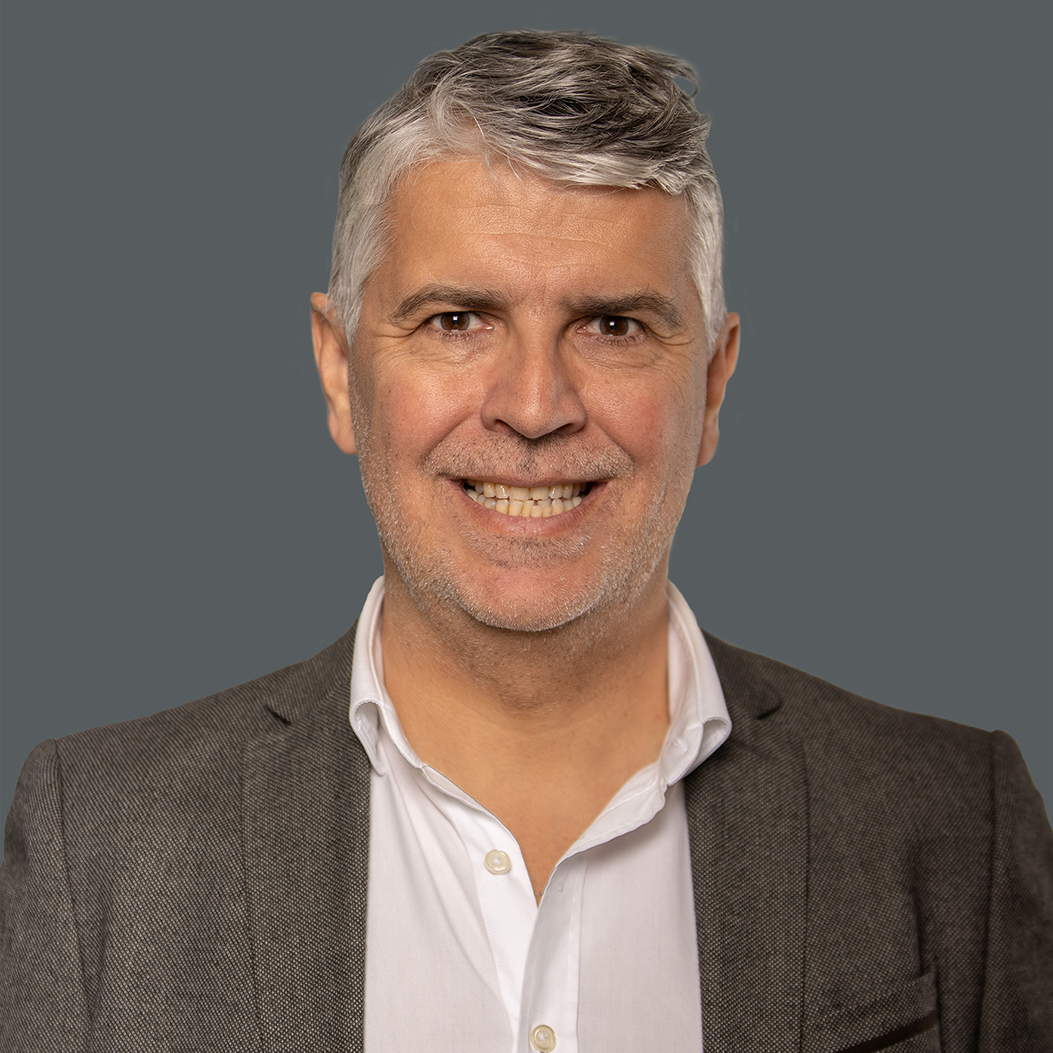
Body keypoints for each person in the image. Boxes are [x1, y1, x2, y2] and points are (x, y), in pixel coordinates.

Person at [2, 29, 1050, 1053]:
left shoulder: (958, 820)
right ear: (339, 370)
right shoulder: (99, 841)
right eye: (457, 320)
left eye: (614, 325)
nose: (536, 406)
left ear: (713, 383)